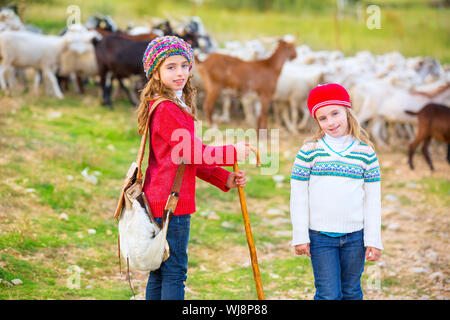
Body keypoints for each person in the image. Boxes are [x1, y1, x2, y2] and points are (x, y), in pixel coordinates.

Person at [137, 36, 250, 300]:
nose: (180, 73)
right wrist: (232, 152)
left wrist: (224, 178)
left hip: (162, 198)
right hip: (170, 203)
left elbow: (185, 159)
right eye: (170, 67)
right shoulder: (166, 109)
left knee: (160, 269)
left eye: (185, 65)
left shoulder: (175, 105)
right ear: (156, 72)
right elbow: (193, 152)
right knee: (174, 271)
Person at [290, 83, 383, 300]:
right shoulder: (309, 151)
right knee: (328, 294)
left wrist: (373, 239)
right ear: (317, 121)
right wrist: (300, 235)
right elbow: (299, 196)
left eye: (335, 113)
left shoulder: (365, 152)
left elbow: (373, 200)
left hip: (355, 237)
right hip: (320, 237)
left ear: (347, 112)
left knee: (351, 291)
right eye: (323, 118)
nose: (330, 122)